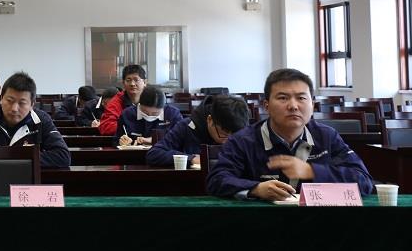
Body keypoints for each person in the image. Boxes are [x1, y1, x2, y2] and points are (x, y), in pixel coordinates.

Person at [206, 68, 374, 200]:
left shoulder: (327, 137)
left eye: (301, 98)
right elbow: (217, 180)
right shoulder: (243, 140)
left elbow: (364, 181)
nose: (293, 106)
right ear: (266, 106)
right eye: (283, 98)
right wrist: (255, 189)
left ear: (313, 105)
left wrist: (313, 171)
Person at [147, 94, 251, 168]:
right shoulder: (187, 127)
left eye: (235, 135)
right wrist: (191, 159)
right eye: (223, 134)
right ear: (210, 120)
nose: (227, 141)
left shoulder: (243, 131)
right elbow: (154, 154)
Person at [116, 84, 183, 146]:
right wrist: (121, 141)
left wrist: (154, 140)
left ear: (163, 108)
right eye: (145, 112)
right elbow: (115, 140)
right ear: (139, 105)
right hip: (134, 153)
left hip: (164, 154)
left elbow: (182, 140)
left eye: (155, 113)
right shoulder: (127, 114)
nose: (149, 116)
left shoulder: (173, 114)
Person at [98, 65, 147, 136]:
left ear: (145, 82)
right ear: (123, 83)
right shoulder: (116, 101)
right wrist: (134, 128)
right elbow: (106, 126)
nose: (132, 84)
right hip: (124, 140)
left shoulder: (153, 98)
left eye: (136, 80)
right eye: (128, 80)